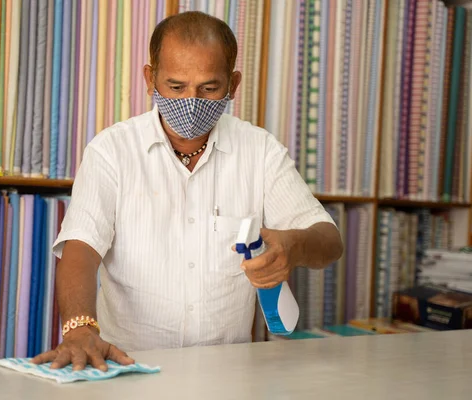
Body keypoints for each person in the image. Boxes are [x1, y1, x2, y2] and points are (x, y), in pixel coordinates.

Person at [32, 11, 343, 371]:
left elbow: (329, 240)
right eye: (176, 87)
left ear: (233, 84)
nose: (191, 102)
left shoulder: (261, 152)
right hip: (127, 368)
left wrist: (293, 246)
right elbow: (81, 248)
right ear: (150, 78)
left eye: (209, 88)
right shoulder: (112, 151)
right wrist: (80, 327)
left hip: (227, 377)